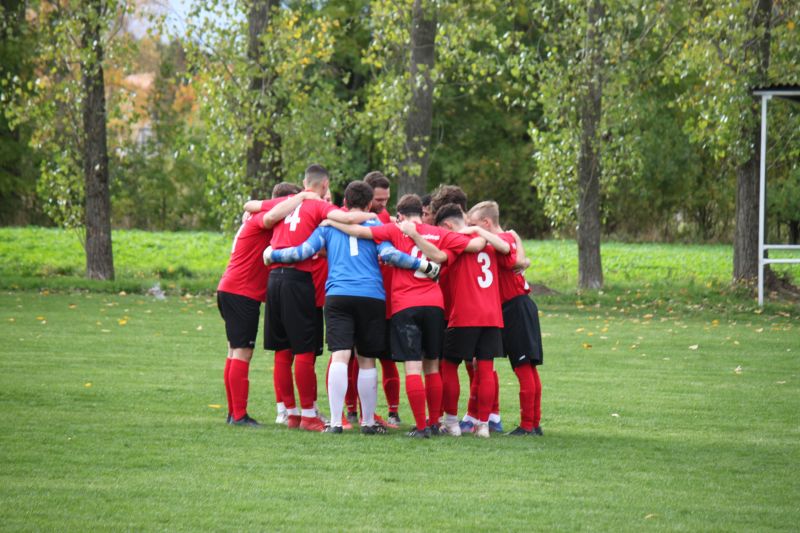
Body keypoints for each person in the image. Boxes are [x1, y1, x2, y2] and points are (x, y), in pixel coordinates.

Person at [264, 181, 439, 434]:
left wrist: (273, 255)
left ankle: (336, 423)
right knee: (366, 359)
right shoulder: (377, 224)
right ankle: (367, 422)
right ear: (369, 204)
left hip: (338, 295)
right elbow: (390, 255)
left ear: (344, 202)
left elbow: (302, 252)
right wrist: (423, 266)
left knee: (340, 355)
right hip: (371, 296)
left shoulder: (327, 225)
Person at [327, 194, 482, 438]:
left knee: (413, 368)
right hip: (434, 305)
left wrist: (331, 222)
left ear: (400, 215)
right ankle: (434, 422)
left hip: (406, 305)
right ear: (421, 212)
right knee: (432, 367)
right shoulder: (439, 233)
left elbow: (358, 232)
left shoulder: (394, 230)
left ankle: (421, 427)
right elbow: (474, 244)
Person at [264, 164, 377, 432]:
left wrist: (271, 253)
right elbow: (349, 219)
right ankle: (308, 415)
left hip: (274, 279)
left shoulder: (286, 202)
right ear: (325, 185)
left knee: (282, 349)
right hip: (297, 279)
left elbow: (263, 215)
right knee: (304, 350)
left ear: (304, 181)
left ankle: (289, 413)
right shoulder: (318, 206)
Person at [218, 183, 318, 427]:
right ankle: (239, 415)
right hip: (242, 292)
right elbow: (273, 214)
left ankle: (234, 413)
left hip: (231, 288)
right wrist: (304, 196)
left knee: (234, 351)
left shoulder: (254, 218)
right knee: (242, 352)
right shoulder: (264, 218)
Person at [429, 203, 514, 438]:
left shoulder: (456, 241)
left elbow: (440, 265)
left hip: (465, 313)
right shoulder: (489, 242)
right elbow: (508, 249)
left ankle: (452, 423)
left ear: (446, 226)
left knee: (449, 366)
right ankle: (484, 426)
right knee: (485, 369)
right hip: (492, 315)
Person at [468, 201, 544, 436]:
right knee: (527, 367)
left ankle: (528, 425)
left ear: (486, 223)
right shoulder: (509, 238)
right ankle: (533, 423)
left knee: (523, 366)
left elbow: (514, 258)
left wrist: (522, 258)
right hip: (516, 306)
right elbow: (519, 259)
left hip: (516, 307)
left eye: (475, 225)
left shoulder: (504, 239)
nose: (472, 229)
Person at [363, 171, 401, 426]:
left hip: (387, 301)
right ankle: (352, 410)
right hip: (364, 296)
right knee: (355, 357)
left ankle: (393, 411)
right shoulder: (347, 216)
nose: (383, 205)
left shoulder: (385, 218)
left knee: (388, 358)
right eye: (378, 199)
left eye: (386, 199)